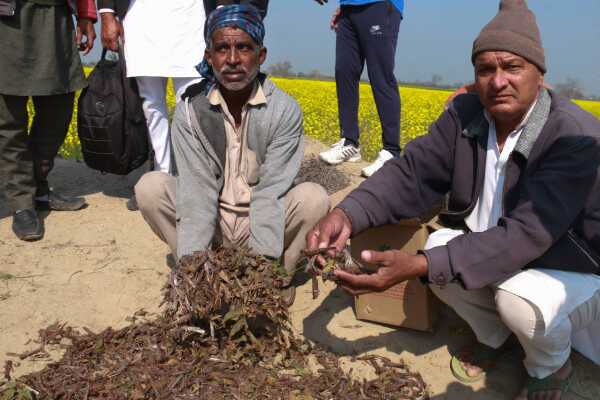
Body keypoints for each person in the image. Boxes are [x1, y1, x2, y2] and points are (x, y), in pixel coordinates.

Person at [306, 1, 600, 399]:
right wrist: (347, 213)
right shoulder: (467, 114)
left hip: (572, 268)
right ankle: (497, 340)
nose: (498, 82)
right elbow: (411, 172)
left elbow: (527, 234)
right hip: (499, 253)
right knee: (439, 249)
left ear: (540, 75)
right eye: (486, 70)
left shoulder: (572, 134)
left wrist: (420, 265)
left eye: (512, 67)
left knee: (516, 299)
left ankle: (551, 366)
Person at [135, 5, 330, 305]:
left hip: (263, 221)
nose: (233, 59)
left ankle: (278, 277)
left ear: (260, 56)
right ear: (209, 56)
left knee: (315, 198)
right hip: (214, 224)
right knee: (149, 188)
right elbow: (197, 191)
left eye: (243, 48)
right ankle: (199, 275)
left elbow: (271, 191)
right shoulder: (191, 110)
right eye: (222, 48)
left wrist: (260, 269)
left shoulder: (284, 110)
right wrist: (193, 267)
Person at [0, 0, 96, 241]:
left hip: (56, 16)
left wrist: (86, 15)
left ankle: (38, 188)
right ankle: (21, 201)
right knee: (9, 120)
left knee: (59, 109)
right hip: (8, 19)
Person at [98, 0, 206, 210]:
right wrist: (107, 14)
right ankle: (160, 181)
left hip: (191, 18)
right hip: (142, 18)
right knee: (151, 107)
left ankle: (195, 182)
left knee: (192, 104)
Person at [315, 0, 404, 177]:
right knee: (344, 71)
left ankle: (391, 150)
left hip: (379, 5)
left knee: (380, 76)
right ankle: (349, 142)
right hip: (349, 7)